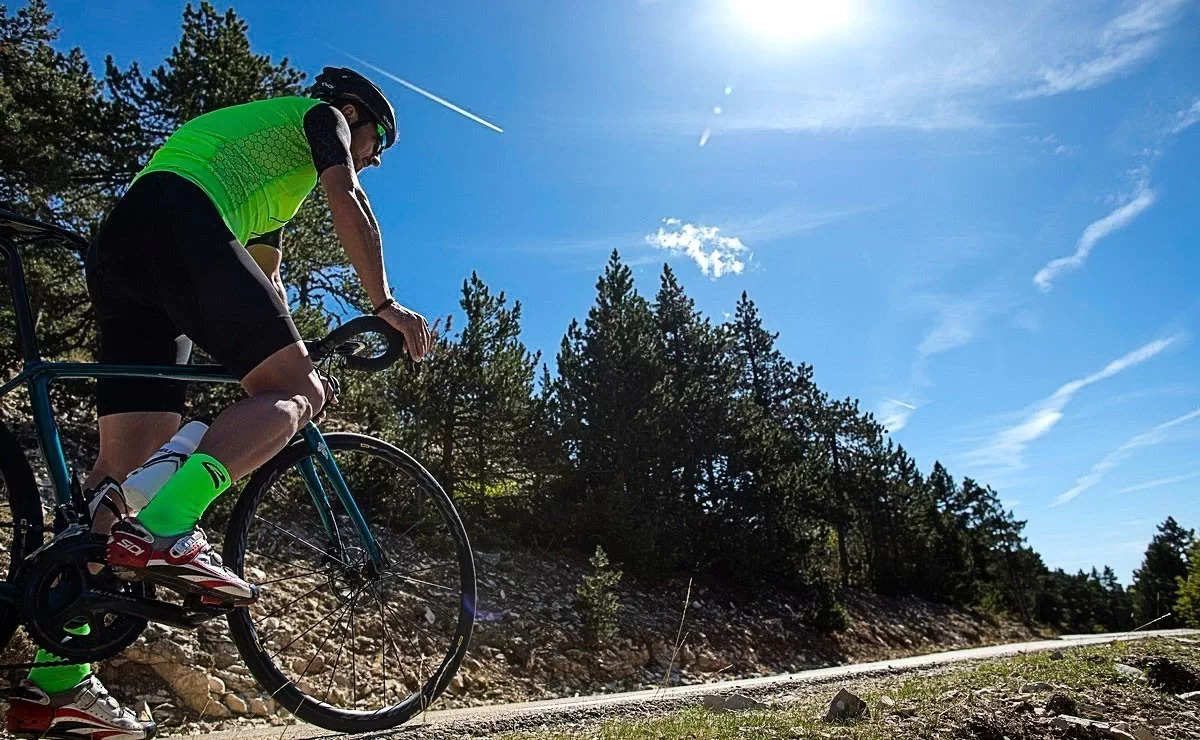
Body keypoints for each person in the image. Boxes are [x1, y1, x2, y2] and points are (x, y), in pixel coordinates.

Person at [4, 67, 432, 740]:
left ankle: (57, 682)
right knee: (296, 393)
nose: (373, 158)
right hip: (181, 220)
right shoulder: (323, 118)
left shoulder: (267, 185)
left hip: (126, 247)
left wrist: (292, 362)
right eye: (379, 142)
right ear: (356, 114)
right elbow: (347, 193)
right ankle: (172, 530)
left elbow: (266, 282)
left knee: (116, 487)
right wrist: (381, 305)